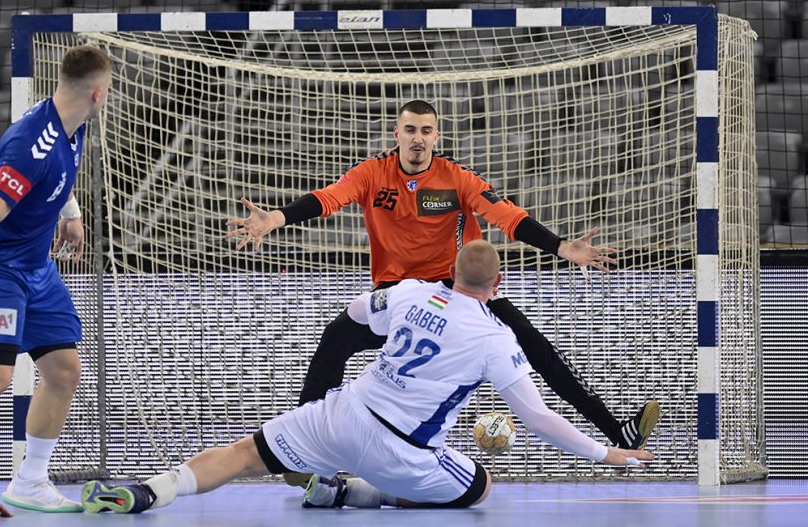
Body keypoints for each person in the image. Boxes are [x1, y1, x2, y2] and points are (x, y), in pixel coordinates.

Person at [226, 100, 659, 464]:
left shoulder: (458, 178)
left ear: (436, 137)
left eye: (426, 131)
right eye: (410, 130)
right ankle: (303, 444)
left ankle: (615, 431)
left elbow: (508, 217)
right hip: (399, 295)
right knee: (335, 338)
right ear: (396, 134)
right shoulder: (372, 173)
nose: (417, 138)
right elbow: (328, 198)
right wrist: (276, 218)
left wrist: (561, 246)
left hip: (460, 292)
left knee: (536, 347)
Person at [80, 240, 653, 514]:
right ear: (498, 285)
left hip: (343, 411)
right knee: (479, 489)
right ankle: (353, 492)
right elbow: (538, 417)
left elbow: (353, 317)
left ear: (451, 274)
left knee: (244, 454)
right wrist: (606, 454)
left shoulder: (409, 293)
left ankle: (148, 491)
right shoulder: (496, 338)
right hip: (403, 452)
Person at [0, 45, 112, 513]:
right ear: (99, 94)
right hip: (4, 269)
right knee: (0, 376)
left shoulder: (72, 124)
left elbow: (59, 176)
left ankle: (28, 482)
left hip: (38, 269)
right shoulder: (28, 145)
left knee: (64, 370)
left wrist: (70, 213)